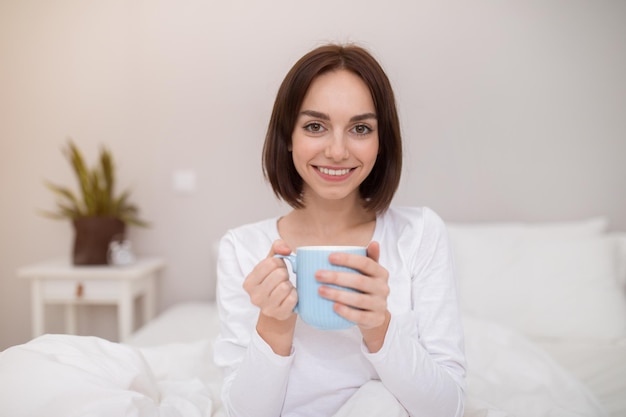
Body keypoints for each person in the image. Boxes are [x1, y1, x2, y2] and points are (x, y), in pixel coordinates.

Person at [214, 43, 466, 417]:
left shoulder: (420, 233)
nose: (336, 151)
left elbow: (450, 409)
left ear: (382, 143)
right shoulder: (242, 248)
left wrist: (380, 328)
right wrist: (274, 326)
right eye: (315, 126)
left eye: (360, 128)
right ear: (288, 137)